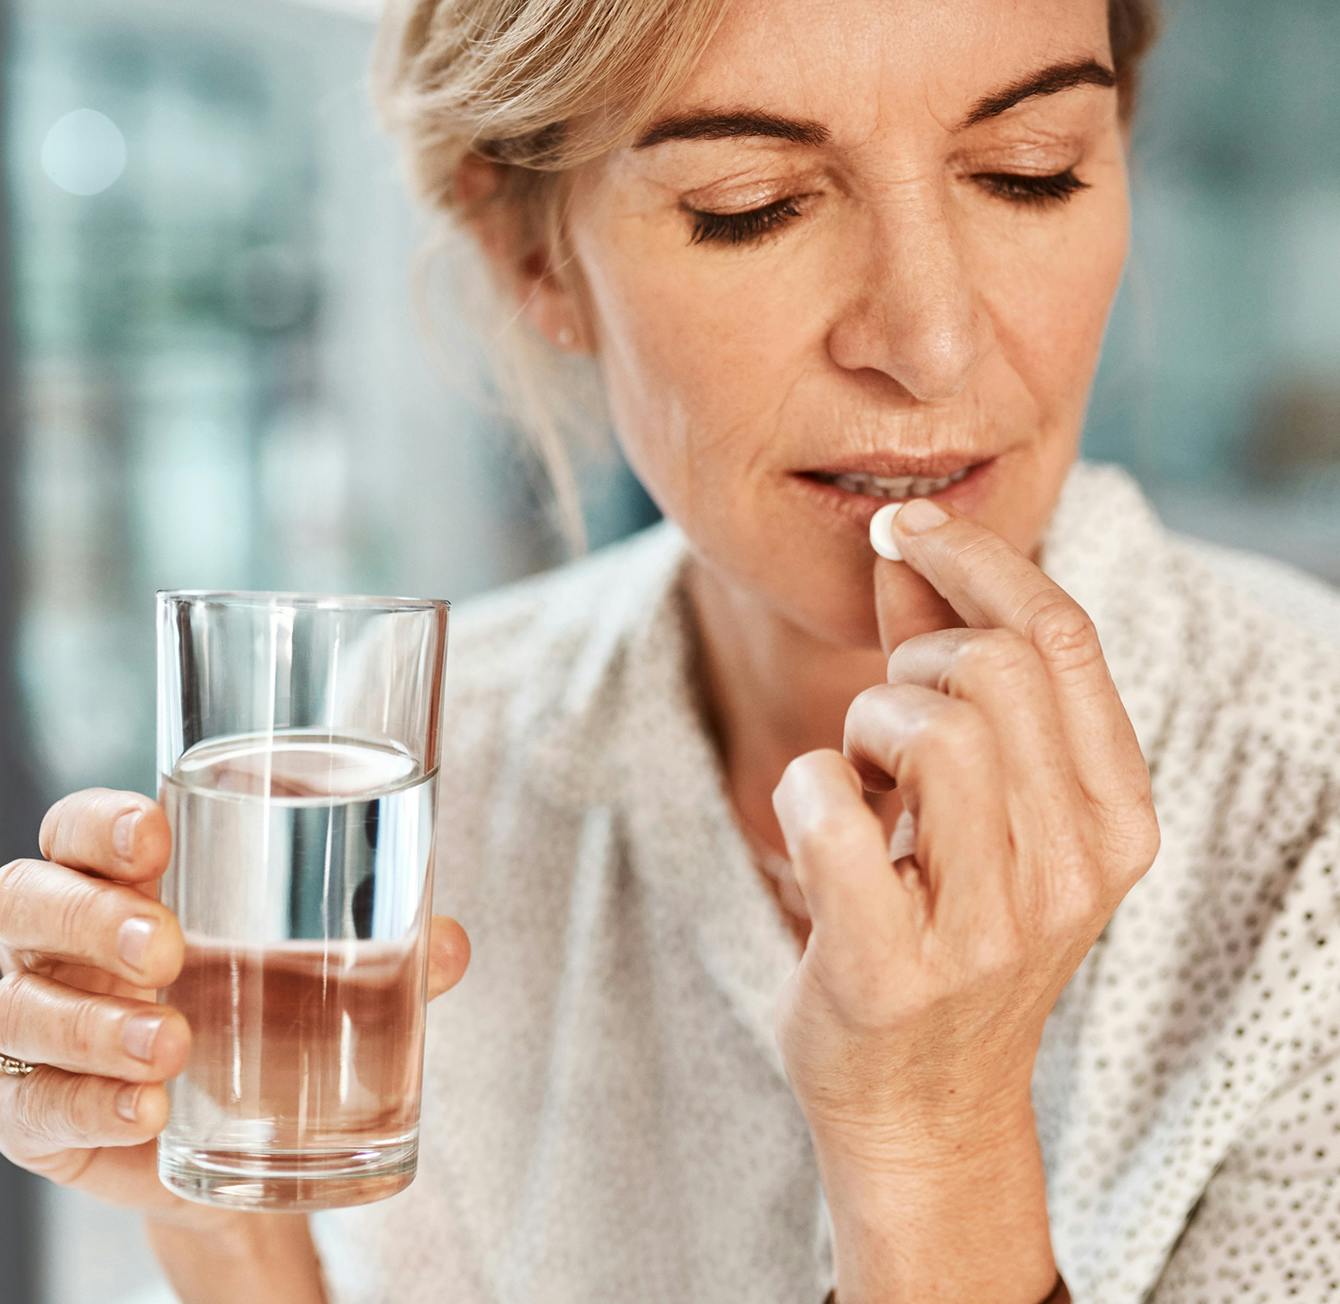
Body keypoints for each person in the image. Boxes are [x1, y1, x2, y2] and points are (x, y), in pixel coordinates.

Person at [3, 0, 1338, 1300]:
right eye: (751, 201)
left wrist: (937, 1156)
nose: (931, 343)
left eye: (1025, 174)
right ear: (533, 255)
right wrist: (221, 1227)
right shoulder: (433, 756)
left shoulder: (1310, 804)